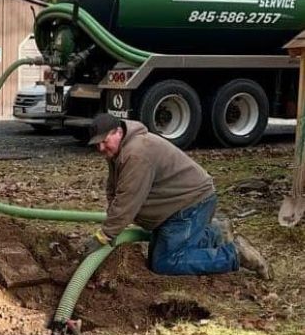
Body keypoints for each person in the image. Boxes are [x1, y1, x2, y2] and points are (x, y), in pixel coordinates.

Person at [87, 113, 270, 279]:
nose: (101, 147)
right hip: (177, 207)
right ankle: (216, 233)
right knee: (159, 254)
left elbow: (127, 200)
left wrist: (105, 235)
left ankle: (235, 254)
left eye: (104, 140)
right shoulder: (120, 151)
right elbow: (114, 189)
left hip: (191, 205)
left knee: (166, 261)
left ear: (118, 131)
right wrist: (112, 222)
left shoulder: (136, 153)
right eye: (97, 144)